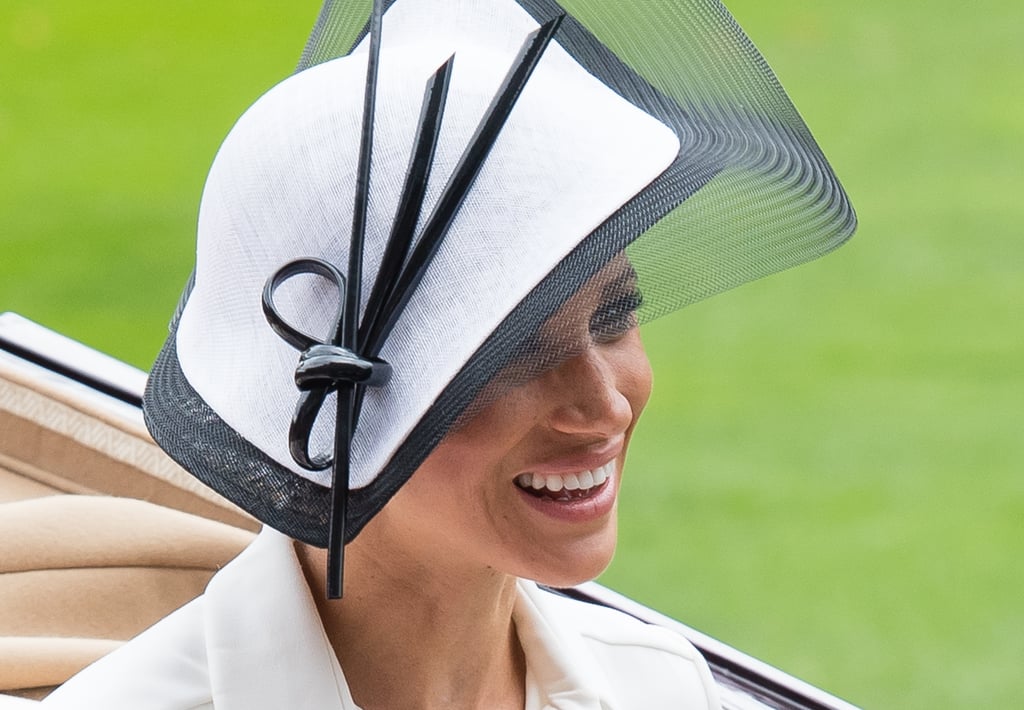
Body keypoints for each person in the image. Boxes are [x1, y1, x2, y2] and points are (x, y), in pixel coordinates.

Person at [32, 0, 856, 707]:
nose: (605, 405)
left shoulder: (661, 690)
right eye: (510, 355)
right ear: (326, 392)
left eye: (616, 315)